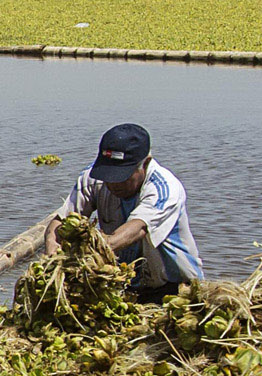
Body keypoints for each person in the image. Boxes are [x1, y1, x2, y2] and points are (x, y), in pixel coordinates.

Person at [61, 122, 204, 295]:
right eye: (109, 176)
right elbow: (61, 220)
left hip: (174, 288)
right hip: (126, 283)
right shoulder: (91, 177)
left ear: (145, 164)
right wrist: (53, 253)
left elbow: (138, 228)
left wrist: (87, 252)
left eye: (122, 177)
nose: (113, 184)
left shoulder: (164, 189)